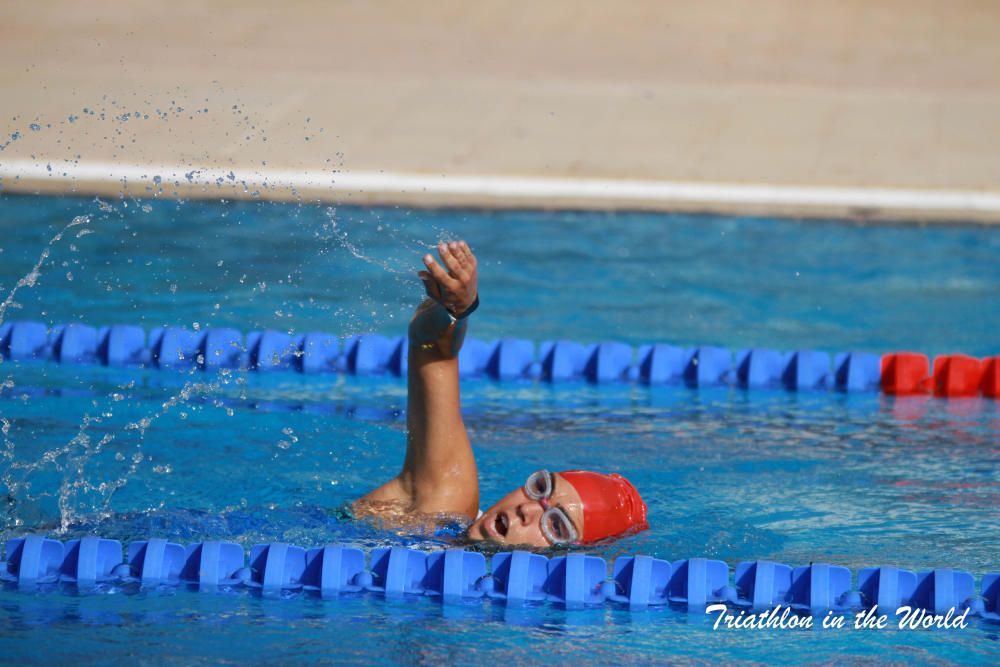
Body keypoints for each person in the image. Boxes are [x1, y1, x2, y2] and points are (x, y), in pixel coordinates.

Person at [354, 241, 647, 547]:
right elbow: (433, 350)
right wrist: (455, 310)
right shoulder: (444, 505)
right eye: (540, 488)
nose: (527, 509)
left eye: (557, 526)